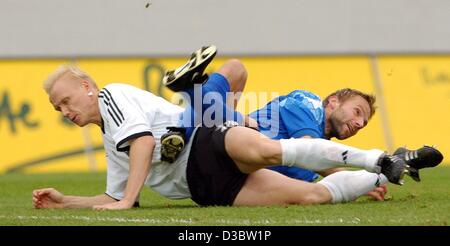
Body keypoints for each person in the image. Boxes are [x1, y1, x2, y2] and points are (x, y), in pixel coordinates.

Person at [32, 47, 442, 210]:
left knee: (269, 149)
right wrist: (65, 201)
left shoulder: (112, 97)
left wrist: (125, 203)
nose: (63, 111)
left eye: (65, 101)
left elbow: (141, 143)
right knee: (311, 196)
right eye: (57, 107)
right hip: (206, 185)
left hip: (208, 143)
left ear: (88, 88)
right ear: (332, 101)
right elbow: (114, 193)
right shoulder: (109, 136)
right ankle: (385, 164)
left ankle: (382, 159)